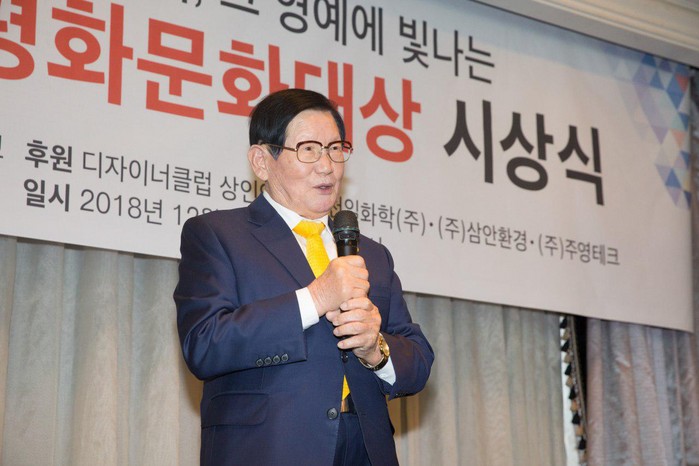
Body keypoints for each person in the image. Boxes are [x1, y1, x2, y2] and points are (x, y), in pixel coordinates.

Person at [174, 88, 434, 466]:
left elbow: (418, 362)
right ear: (262, 161)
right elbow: (204, 344)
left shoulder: (371, 253)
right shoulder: (218, 235)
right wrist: (314, 298)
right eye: (309, 149)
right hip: (269, 449)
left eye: (335, 149)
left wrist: (376, 350)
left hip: (365, 449)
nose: (327, 166)